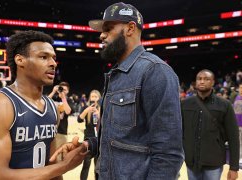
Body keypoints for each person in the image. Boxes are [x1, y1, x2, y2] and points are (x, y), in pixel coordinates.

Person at [51, 2, 184, 179]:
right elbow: (123, 139)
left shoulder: (155, 71)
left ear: (130, 28)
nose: (101, 35)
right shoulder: (116, 75)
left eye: (108, 29)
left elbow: (168, 153)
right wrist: (89, 145)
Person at [0, 30, 87, 179]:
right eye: (43, 57)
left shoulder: (52, 107)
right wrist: (64, 166)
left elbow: (50, 165)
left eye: (54, 58)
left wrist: (61, 160)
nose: (53, 63)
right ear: (20, 60)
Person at [182, 69, 239, 180]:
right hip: (191, 163)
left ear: (213, 82)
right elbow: (179, 132)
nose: (202, 81)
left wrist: (234, 167)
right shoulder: (185, 104)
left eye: (206, 79)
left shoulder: (225, 105)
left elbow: (233, 137)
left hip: (214, 163)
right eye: (199, 79)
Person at [77, 90, 101, 180]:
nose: (93, 98)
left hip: (99, 141)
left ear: (99, 98)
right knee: (86, 166)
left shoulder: (102, 108)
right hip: (88, 141)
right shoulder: (86, 108)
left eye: (96, 96)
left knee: (98, 167)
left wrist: (99, 115)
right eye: (92, 96)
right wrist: (87, 110)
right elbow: (79, 120)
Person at [48, 82, 73, 150]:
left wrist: (63, 98)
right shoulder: (54, 98)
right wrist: (53, 91)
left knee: (60, 157)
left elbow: (68, 111)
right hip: (50, 131)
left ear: (68, 91)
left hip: (61, 132)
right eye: (61, 89)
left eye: (65, 90)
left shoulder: (69, 100)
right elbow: (45, 104)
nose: (62, 91)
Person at [233, 83, 242, 166]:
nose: (240, 89)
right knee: (239, 142)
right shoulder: (237, 97)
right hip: (237, 124)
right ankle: (240, 157)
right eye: (240, 87)